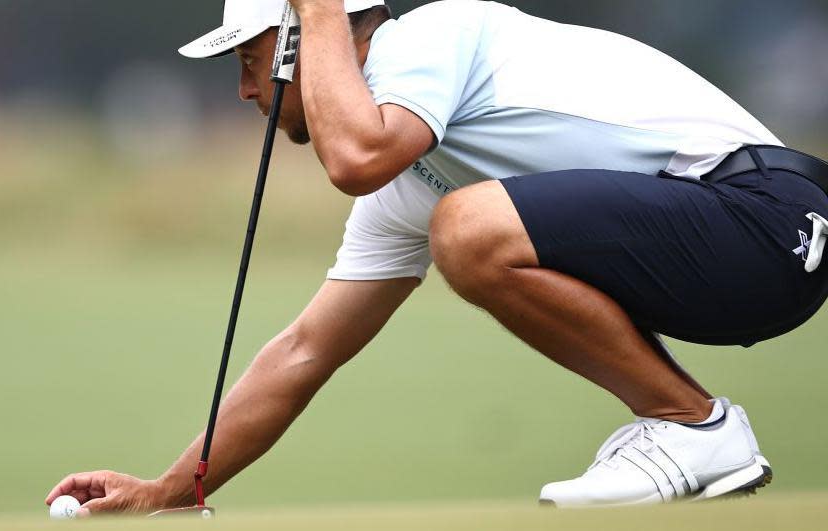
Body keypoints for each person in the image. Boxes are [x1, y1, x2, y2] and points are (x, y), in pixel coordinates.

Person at [46, 0, 828, 512]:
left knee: (467, 230)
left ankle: (690, 423)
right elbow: (305, 351)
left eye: (249, 63)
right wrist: (167, 492)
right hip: (728, 256)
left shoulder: (426, 38)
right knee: (465, 226)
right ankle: (693, 424)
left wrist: (315, 8)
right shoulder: (415, 176)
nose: (245, 93)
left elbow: (355, 155)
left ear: (298, 41)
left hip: (769, 218)